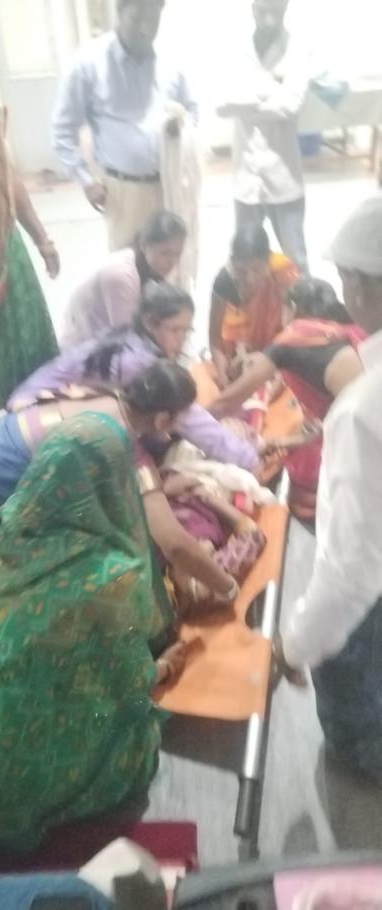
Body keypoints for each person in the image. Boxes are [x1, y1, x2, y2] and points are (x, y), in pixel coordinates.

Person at [0, 409, 190, 863]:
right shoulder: (111, 576)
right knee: (134, 739)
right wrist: (164, 667)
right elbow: (129, 683)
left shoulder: (3, 532)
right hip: (11, 779)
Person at [0, 360, 240, 608]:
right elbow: (175, 544)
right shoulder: (123, 444)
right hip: (3, 476)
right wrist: (227, 588)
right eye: (182, 418)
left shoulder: (103, 395)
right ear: (162, 420)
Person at [276, 196, 382, 779]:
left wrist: (293, 645)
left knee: (360, 737)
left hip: (370, 612)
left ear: (359, 285)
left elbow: (350, 573)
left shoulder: (363, 408)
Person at [9, 282, 261, 472]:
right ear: (150, 322)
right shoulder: (137, 362)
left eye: (187, 330)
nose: (182, 339)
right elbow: (191, 419)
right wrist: (249, 460)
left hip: (34, 410)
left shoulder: (132, 339)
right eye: (176, 330)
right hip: (32, 421)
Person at [210, 277, 366, 519]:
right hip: (367, 429)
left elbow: (227, 402)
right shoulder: (352, 329)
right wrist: (282, 441)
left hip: (357, 443)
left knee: (303, 471)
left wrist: (189, 425)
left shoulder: (294, 336)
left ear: (291, 307)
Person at [52, 0, 197, 251]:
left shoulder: (171, 61)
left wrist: (182, 128)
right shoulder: (89, 62)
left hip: (169, 185)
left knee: (172, 262)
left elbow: (192, 110)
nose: (145, 29)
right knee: (128, 264)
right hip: (123, 192)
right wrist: (86, 181)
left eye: (153, 20)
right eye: (136, 18)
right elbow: (62, 130)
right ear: (119, 12)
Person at [0, 81, 59, 430]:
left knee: (27, 358)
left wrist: (42, 238)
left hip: (7, 257)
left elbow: (7, 175)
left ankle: (25, 437)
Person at [217, 0, 310, 273]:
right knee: (245, 262)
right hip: (246, 179)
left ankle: (303, 303)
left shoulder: (298, 50)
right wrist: (270, 92)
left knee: (296, 262)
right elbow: (221, 104)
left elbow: (291, 106)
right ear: (253, 9)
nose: (269, 18)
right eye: (264, 10)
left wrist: (245, 102)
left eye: (276, 10)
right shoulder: (235, 50)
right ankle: (253, 304)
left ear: (286, 8)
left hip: (284, 178)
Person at [61, 211, 187, 348]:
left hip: (108, 345)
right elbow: (126, 340)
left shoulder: (150, 272)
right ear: (144, 245)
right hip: (85, 349)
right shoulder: (121, 276)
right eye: (165, 253)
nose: (172, 261)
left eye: (177, 254)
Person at [210, 224, 299, 389]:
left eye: (257, 269)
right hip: (239, 356)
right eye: (242, 271)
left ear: (268, 260)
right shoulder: (224, 281)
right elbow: (215, 340)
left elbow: (294, 329)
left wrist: (276, 365)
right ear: (233, 262)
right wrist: (223, 375)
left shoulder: (282, 270)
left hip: (278, 353)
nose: (250, 279)